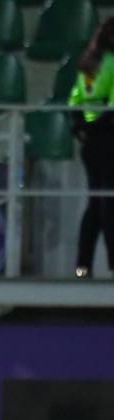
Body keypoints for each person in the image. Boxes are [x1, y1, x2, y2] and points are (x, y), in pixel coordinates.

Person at [68, 17, 114, 278]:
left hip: (90, 142)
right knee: (109, 203)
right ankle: (113, 263)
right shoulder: (113, 63)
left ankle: (82, 266)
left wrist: (81, 129)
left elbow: (74, 100)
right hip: (109, 138)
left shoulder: (88, 63)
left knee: (95, 203)